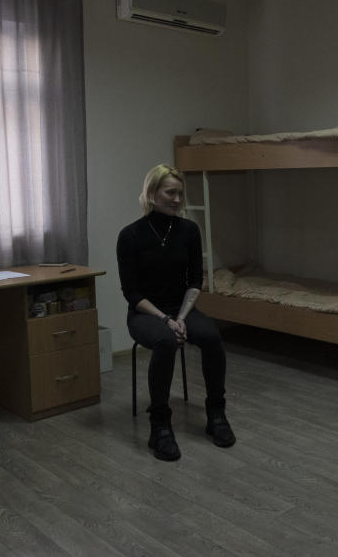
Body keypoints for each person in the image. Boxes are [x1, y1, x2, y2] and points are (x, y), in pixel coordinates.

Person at [116, 164, 235, 461]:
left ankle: (216, 413)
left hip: (181, 309)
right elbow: (131, 293)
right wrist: (165, 320)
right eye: (170, 192)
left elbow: (195, 280)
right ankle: (159, 425)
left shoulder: (188, 230)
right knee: (166, 341)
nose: (177, 199)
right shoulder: (130, 236)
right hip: (145, 313)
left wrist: (180, 317)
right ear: (152, 193)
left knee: (210, 335)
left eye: (180, 193)